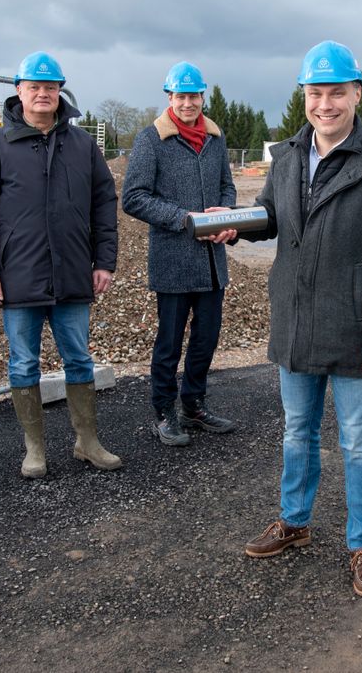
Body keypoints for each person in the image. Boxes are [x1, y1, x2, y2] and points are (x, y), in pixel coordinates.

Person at [241, 40, 362, 598]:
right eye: (315, 93)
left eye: (336, 92)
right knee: (297, 432)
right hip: (296, 323)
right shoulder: (288, 157)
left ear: (357, 95)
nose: (325, 104)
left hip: (354, 328)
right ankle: (294, 522)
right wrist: (236, 222)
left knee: (359, 441)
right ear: (304, 97)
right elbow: (270, 218)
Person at [0, 50, 122, 479]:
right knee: (23, 364)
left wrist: (104, 260)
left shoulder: (82, 144)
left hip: (72, 274)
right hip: (19, 277)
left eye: (50, 87)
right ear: (19, 91)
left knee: (79, 359)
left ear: (59, 92)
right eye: (35, 87)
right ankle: (35, 449)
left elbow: (105, 203)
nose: (43, 94)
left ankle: (87, 442)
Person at [122, 61, 240, 446]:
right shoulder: (150, 140)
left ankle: (194, 405)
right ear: (169, 97)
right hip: (174, 260)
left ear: (203, 97)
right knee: (169, 342)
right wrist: (183, 219)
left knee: (206, 339)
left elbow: (227, 187)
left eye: (194, 96)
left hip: (211, 263)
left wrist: (225, 213)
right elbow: (134, 198)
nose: (188, 103)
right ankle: (164, 410)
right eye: (181, 96)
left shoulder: (215, 138)